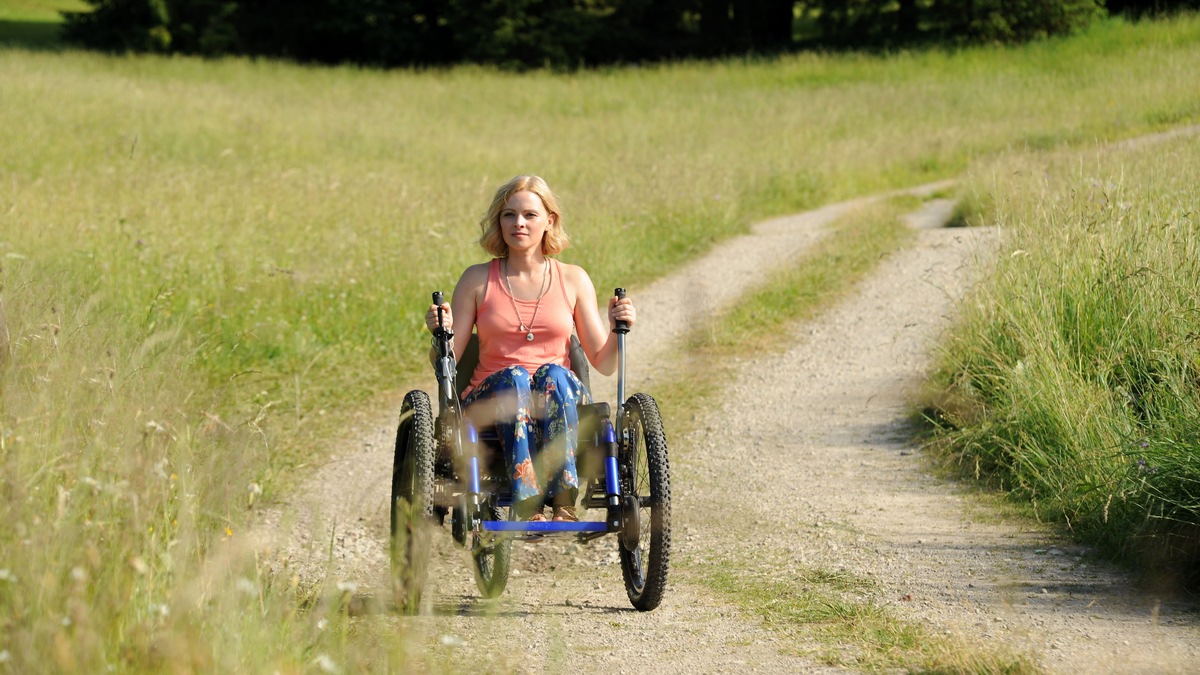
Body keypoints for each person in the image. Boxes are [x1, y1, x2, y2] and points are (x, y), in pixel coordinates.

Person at [425, 175, 636, 523]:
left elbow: (604, 362)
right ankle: (528, 503)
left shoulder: (573, 279)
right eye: (509, 215)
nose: (518, 223)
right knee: (517, 378)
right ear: (499, 221)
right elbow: (446, 362)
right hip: (494, 396)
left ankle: (564, 501)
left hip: (558, 394)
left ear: (549, 221)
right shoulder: (477, 280)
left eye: (529, 215)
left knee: (553, 374)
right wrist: (441, 335)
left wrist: (618, 326)